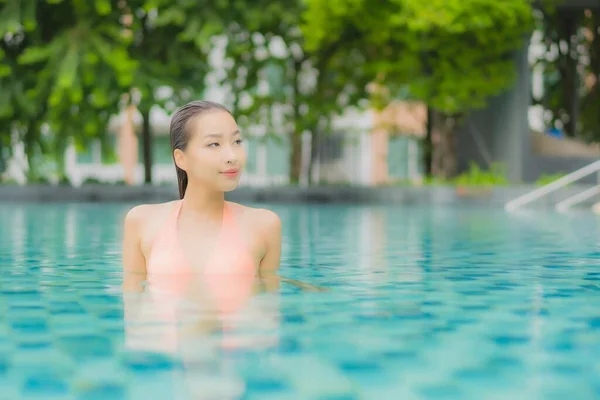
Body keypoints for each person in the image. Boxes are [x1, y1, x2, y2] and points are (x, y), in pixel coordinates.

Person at [121, 100, 282, 296]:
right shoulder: (141, 221)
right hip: (164, 327)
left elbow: (268, 311)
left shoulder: (265, 225)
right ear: (181, 158)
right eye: (214, 144)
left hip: (239, 327)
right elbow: (134, 307)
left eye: (237, 141)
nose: (232, 156)